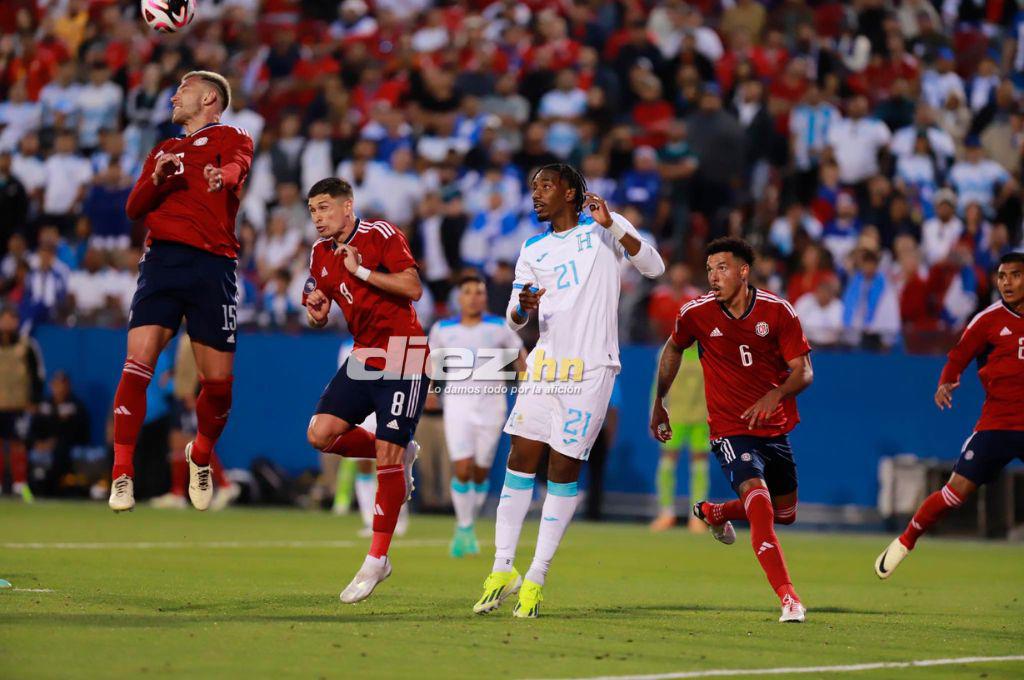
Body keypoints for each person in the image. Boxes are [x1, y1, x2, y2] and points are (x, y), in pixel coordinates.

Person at [473, 164, 664, 618]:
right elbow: (513, 318)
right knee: (520, 457)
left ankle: (535, 578)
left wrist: (613, 224)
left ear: (572, 192)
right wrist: (522, 307)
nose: (536, 194)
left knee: (562, 468)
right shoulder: (532, 247)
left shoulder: (603, 230)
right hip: (545, 365)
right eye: (533, 186)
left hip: (592, 367)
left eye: (546, 186)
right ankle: (502, 568)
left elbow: (654, 267)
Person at [107, 71, 254, 513]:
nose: (173, 97)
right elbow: (133, 207)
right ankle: (122, 473)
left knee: (219, 387)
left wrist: (221, 176)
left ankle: (201, 454)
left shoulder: (232, 136)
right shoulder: (163, 150)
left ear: (209, 98)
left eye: (182, 90)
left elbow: (239, 167)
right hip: (163, 263)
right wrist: (155, 177)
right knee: (137, 365)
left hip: (214, 266)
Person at [651, 237, 814, 623]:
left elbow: (804, 371)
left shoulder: (778, 311)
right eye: (709, 269)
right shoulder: (696, 313)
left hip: (773, 428)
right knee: (760, 504)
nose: (713, 276)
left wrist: (776, 394)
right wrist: (660, 401)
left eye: (722, 268)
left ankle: (715, 511)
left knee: (785, 513)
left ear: (743, 271)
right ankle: (789, 598)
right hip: (728, 429)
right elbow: (673, 347)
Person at [302, 177, 428, 604]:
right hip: (364, 356)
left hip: (405, 354)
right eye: (313, 210)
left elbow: (412, 288)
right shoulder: (319, 254)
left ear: (348, 205)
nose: (318, 217)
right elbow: (321, 307)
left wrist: (360, 270)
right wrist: (317, 311)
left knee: (388, 456)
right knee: (320, 434)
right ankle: (399, 451)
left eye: (324, 207)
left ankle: (377, 559)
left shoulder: (381, 234)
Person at [875, 252, 1024, 579]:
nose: (1007, 282)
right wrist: (946, 381)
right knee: (955, 491)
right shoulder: (988, 319)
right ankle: (905, 541)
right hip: (997, 425)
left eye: (1015, 275)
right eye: (1002, 276)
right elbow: (959, 354)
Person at [428, 272, 526, 556]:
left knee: (481, 472)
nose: (473, 297)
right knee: (462, 468)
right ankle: (464, 527)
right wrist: (430, 391)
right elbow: (432, 363)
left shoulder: (499, 327)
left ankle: (468, 522)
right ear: (458, 298)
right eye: (468, 292)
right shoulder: (442, 329)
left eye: (479, 292)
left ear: (485, 297)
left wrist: (528, 388)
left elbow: (520, 358)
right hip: (457, 405)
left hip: (492, 406)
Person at [649, 345, 709, 532]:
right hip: (673, 416)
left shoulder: (708, 348)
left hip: (702, 417)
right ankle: (666, 513)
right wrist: (654, 414)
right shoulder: (669, 348)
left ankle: (697, 516)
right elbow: (658, 384)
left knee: (700, 466)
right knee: (667, 463)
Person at [0, 306, 45, 502]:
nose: (9, 323)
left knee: (18, 444)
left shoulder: (27, 345)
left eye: (12, 319)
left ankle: (20, 484)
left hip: (19, 404)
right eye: (5, 319)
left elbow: (38, 374)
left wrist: (35, 400)